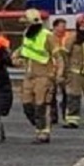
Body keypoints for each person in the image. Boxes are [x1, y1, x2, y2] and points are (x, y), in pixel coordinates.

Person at [14, 9, 61, 143]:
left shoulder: (48, 36)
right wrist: (16, 56)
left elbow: (58, 56)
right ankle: (39, 126)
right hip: (29, 75)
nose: (25, 26)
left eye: (27, 23)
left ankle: (43, 133)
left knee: (41, 105)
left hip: (44, 75)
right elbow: (24, 49)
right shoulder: (26, 34)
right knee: (27, 105)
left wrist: (57, 73)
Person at [51, 17, 69, 123]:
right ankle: (53, 115)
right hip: (51, 69)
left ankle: (65, 115)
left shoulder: (67, 38)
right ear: (55, 27)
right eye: (62, 26)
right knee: (51, 94)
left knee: (66, 93)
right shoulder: (49, 38)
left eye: (64, 26)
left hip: (64, 70)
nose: (63, 29)